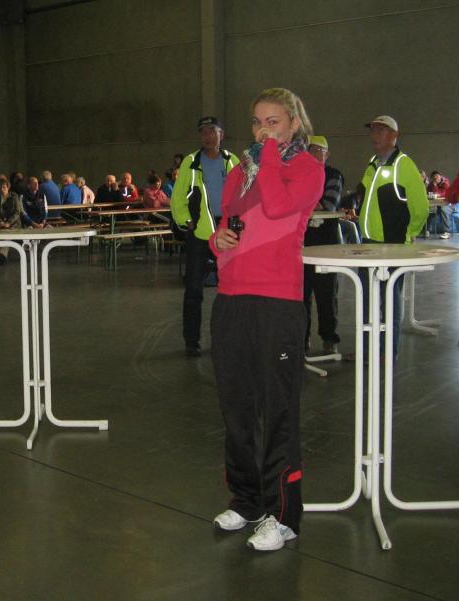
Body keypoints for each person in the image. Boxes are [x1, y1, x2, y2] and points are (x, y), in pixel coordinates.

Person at [209, 88, 323, 551]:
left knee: (278, 411)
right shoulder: (242, 170)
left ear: (294, 122)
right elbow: (229, 222)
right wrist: (218, 239)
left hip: (277, 301)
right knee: (237, 409)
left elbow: (277, 207)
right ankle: (248, 500)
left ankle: (283, 515)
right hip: (232, 298)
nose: (262, 130)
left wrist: (270, 154)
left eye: (273, 122)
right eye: (257, 122)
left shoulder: (307, 168)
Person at [354, 115, 428, 359]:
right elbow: (365, 195)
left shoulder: (404, 165)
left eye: (381, 130)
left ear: (394, 136)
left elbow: (420, 208)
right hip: (368, 243)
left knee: (389, 300)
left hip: (392, 245)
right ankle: (366, 350)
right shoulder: (372, 163)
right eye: (373, 130)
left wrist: (408, 234)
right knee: (366, 298)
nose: (374, 135)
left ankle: (387, 351)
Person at [170, 116, 239, 357]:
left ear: (221, 134)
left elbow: (244, 193)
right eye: (203, 132)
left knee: (231, 289)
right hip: (199, 234)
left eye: (212, 131)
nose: (207, 136)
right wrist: (186, 221)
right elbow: (178, 198)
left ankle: (228, 339)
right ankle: (192, 341)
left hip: (228, 233)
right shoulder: (190, 162)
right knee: (193, 290)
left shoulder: (232, 161)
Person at [303, 135, 343, 354]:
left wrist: (306, 203)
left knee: (326, 294)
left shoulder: (334, 175)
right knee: (301, 294)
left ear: (328, 155)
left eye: (321, 151)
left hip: (327, 244)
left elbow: (329, 204)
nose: (317, 154)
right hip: (302, 243)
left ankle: (329, 338)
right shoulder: (298, 175)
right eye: (312, 150)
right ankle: (302, 338)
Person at [0, 178, 22, 264]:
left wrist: (8, 223)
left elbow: (17, 212)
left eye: (4, 187)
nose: (2, 189)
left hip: (13, 223)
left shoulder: (14, 197)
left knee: (7, 234)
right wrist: (0, 222)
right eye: (0, 187)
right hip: (1, 222)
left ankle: (2, 255)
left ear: (8, 187)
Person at [426, 170, 451, 238]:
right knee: (429, 210)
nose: (435, 178)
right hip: (436, 204)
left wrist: (435, 187)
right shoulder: (431, 184)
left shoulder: (445, 183)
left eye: (437, 176)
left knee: (444, 209)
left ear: (440, 176)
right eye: (433, 177)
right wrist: (434, 186)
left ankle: (447, 232)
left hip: (447, 204)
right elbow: (428, 193)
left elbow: (445, 194)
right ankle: (427, 230)